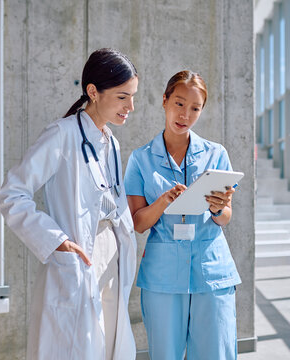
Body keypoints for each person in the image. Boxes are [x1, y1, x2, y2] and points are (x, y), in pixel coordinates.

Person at [0, 48, 138, 360]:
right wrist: (58, 241)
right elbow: (12, 194)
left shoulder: (110, 141)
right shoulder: (61, 135)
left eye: (132, 96)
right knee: (79, 347)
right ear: (94, 92)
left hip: (112, 258)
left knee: (108, 344)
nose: (131, 106)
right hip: (79, 256)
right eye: (122, 97)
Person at [124, 70, 241, 360]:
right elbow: (138, 223)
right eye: (178, 103)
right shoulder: (140, 159)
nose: (185, 114)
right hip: (162, 278)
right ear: (164, 101)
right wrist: (163, 202)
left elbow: (225, 217)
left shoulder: (217, 154)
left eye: (194, 108)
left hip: (211, 272)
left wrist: (218, 207)